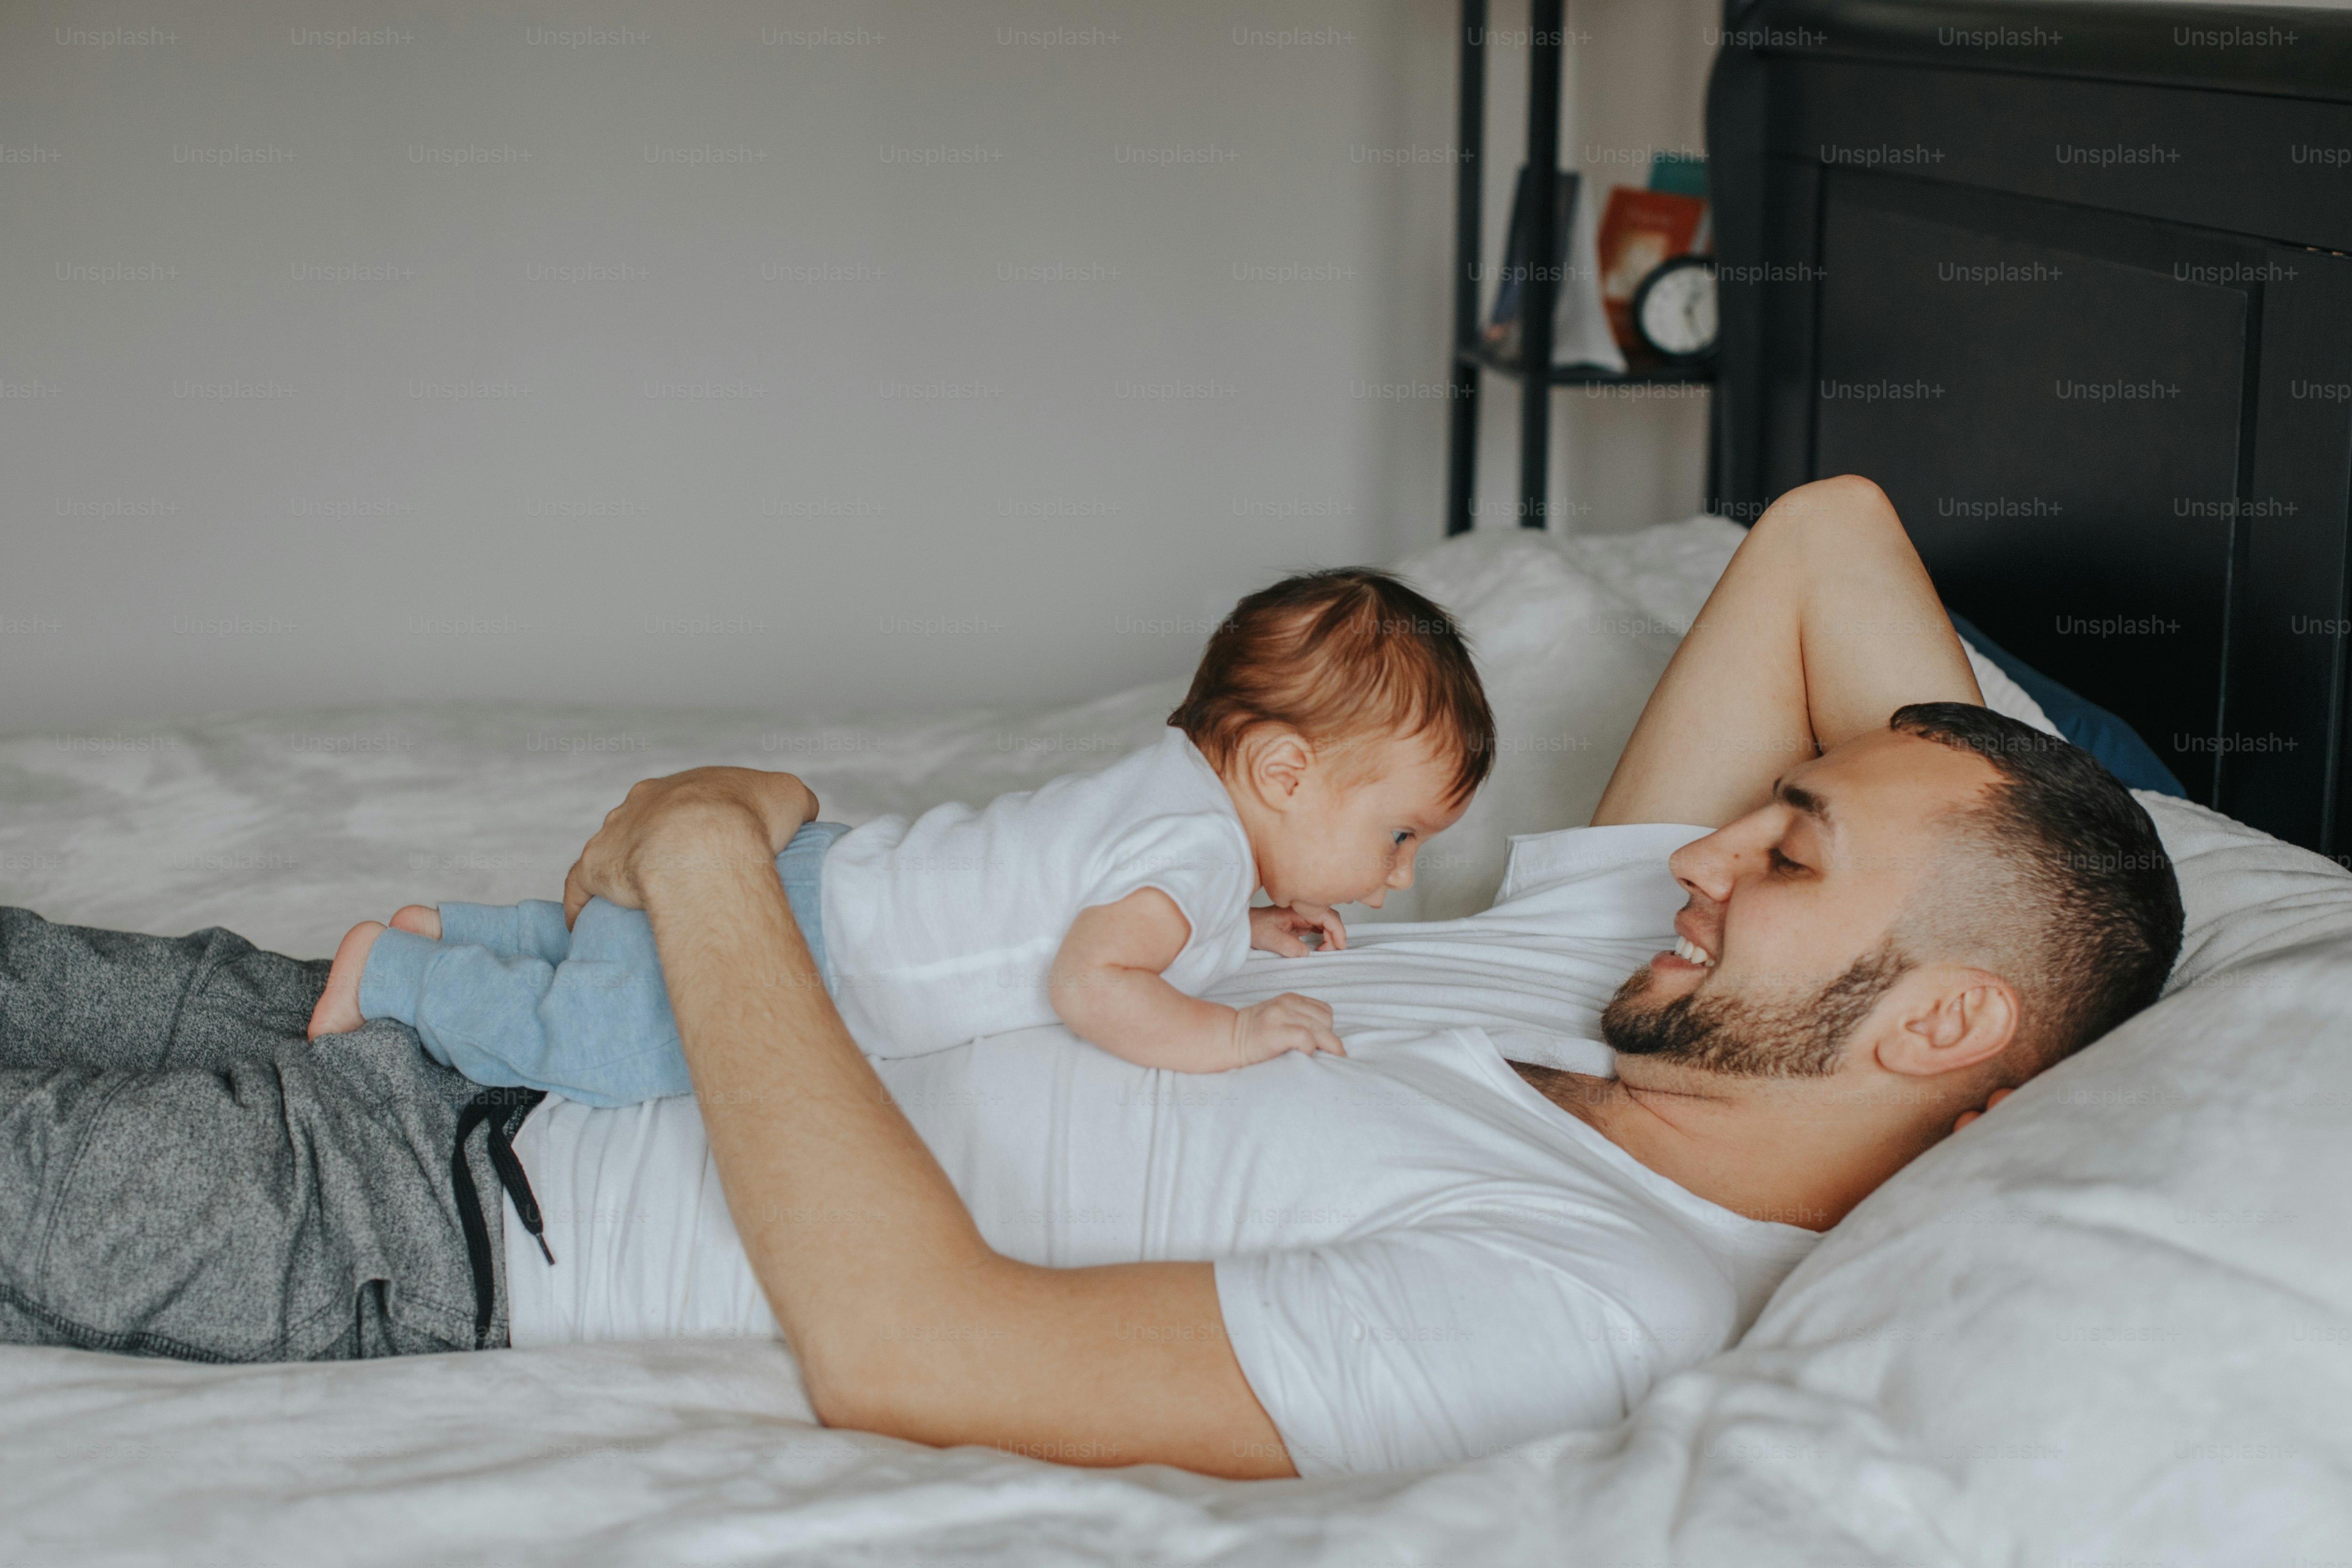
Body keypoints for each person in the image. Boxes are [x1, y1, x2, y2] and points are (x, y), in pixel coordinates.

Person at [0, 476, 2182, 1480]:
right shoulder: (1608, 975)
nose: (1696, 854)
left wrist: (709, 856)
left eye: (1781, 851)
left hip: (437, 1216)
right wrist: (2050, 890)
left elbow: (916, 1349)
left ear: (1933, 1027)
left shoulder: (1584, 1290)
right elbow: (1818, 534)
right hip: (419, 1003)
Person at [300, 569, 1494, 1099]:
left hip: (839, 877)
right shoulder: (1191, 857)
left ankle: (459, 925)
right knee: (621, 1051)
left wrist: (1250, 919)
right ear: (1283, 771)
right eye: (1396, 835)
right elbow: (1094, 980)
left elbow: (1098, 888)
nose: (1398, 875)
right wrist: (1233, 1035)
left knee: (628, 950)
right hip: (821, 945)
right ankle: (403, 972)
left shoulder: (1175, 795)